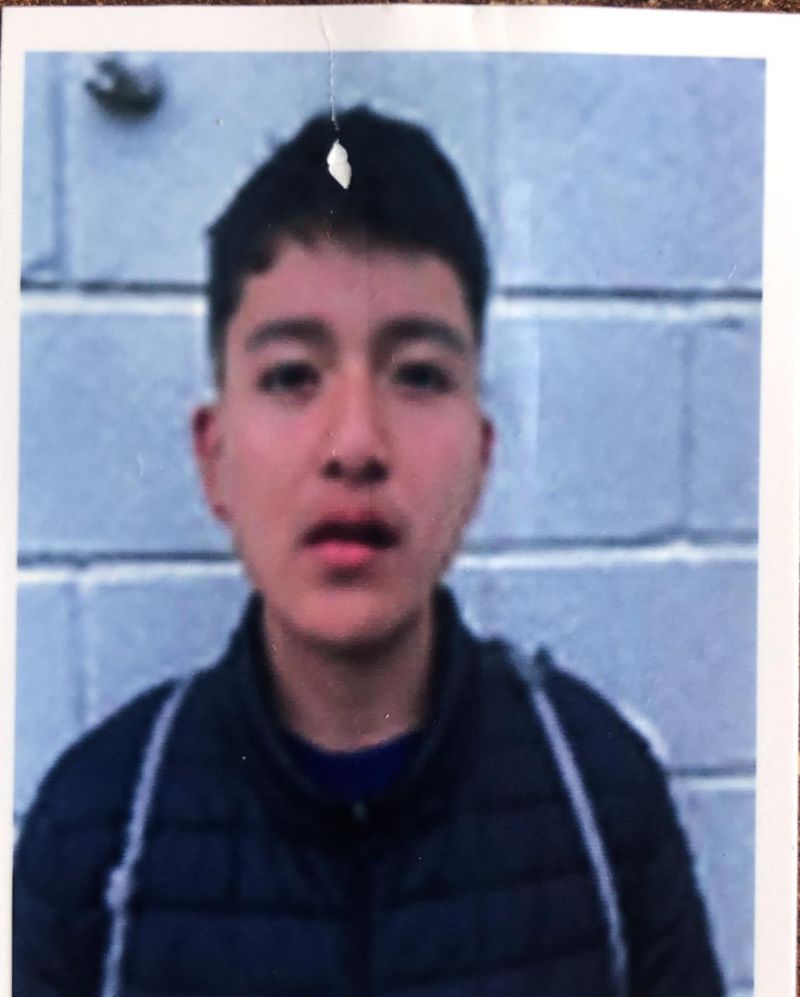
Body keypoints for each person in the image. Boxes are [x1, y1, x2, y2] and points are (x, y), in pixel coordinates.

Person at [13, 106, 724, 997]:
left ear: (481, 459)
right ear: (214, 456)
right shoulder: (96, 835)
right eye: (292, 375)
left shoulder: (602, 801)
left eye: (419, 373)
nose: (355, 442)